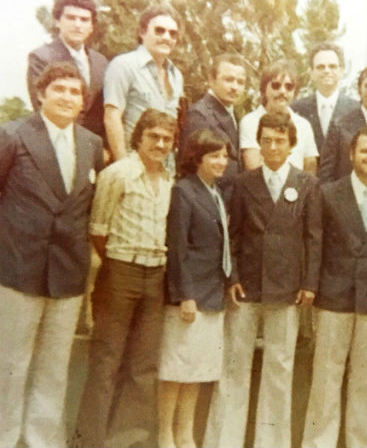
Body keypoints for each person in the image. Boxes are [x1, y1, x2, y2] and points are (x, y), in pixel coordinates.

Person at [0, 62, 103, 448]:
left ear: (82, 102)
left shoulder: (92, 145)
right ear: (41, 93)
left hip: (67, 275)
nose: (67, 97)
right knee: (10, 366)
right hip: (17, 270)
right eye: (59, 88)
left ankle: (41, 441)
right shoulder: (12, 136)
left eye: (75, 92)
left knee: (54, 369)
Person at [204, 112, 322, 448]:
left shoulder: (307, 184)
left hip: (287, 287)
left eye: (279, 140)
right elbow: (234, 235)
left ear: (291, 144)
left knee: (279, 370)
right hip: (247, 286)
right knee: (234, 365)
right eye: (266, 140)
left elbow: (314, 237)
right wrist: (233, 277)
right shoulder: (243, 183)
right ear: (259, 142)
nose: (272, 146)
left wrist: (309, 283)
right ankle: (223, 441)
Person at [74, 109, 177, 448]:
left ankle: (127, 439)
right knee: (107, 359)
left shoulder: (168, 178)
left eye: (166, 138)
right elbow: (98, 230)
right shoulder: (117, 174)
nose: (160, 144)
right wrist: (120, 263)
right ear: (139, 137)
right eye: (154, 137)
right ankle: (90, 440)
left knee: (144, 363)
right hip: (120, 270)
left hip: (155, 274)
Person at [302, 128, 367, 448]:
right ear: (351, 154)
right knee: (326, 377)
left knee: (365, 380)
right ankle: (319, 443)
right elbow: (316, 244)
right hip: (334, 297)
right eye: (365, 150)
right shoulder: (328, 193)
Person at [158, 129, 232, 448]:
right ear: (198, 158)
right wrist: (185, 294)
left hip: (212, 293)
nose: (221, 162)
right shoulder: (184, 191)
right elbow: (177, 248)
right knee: (176, 367)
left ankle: (185, 433)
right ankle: (165, 433)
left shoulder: (216, 193)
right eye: (214, 155)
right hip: (189, 295)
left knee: (197, 369)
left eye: (225, 156)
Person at [104, 4, 183, 161]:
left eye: (173, 34)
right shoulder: (123, 65)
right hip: (133, 162)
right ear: (142, 32)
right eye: (159, 30)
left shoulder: (176, 75)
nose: (167, 37)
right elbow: (112, 117)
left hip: (164, 167)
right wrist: (123, 166)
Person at [27, 0, 108, 138]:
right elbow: (42, 107)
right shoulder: (41, 57)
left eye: (84, 19)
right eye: (71, 18)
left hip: (95, 148)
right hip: (56, 140)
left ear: (92, 26)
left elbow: (103, 110)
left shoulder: (101, 62)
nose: (77, 25)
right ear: (57, 21)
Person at [180, 53, 247, 195]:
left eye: (240, 82)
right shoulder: (199, 114)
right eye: (228, 80)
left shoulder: (233, 112)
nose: (235, 87)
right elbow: (192, 169)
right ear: (211, 80)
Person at [240, 59, 319, 173]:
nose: (282, 91)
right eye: (276, 85)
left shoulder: (303, 125)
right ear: (264, 88)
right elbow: (253, 168)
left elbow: (310, 167)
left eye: (289, 86)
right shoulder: (250, 122)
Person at [291, 42, 360, 151]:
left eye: (332, 66)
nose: (327, 71)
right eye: (320, 67)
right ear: (311, 72)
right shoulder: (296, 109)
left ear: (341, 71)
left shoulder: (356, 110)